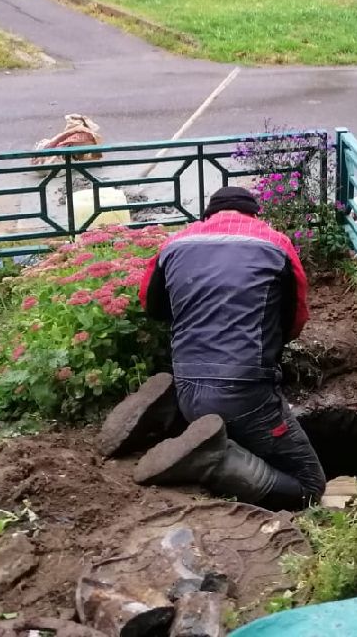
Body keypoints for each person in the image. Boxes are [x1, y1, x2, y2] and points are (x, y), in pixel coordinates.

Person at [134, 185, 326, 509]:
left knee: (231, 424)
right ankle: (213, 460)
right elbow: (296, 319)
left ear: (207, 215)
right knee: (310, 486)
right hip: (246, 392)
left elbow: (151, 306)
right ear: (254, 214)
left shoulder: (173, 244)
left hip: (188, 386)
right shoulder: (275, 243)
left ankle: (176, 425)